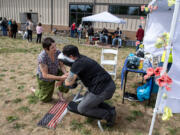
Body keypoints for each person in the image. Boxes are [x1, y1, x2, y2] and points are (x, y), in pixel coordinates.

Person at [62, 45, 116, 126]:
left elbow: (68, 83)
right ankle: (110, 109)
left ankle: (108, 115)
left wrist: (64, 80)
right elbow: (76, 73)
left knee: (82, 108)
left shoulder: (77, 64)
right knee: (87, 100)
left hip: (103, 89)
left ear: (71, 56)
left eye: (66, 57)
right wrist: (71, 75)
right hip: (108, 84)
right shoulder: (83, 58)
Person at [32, 37, 69, 102]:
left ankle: (60, 93)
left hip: (55, 72)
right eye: (52, 47)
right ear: (46, 49)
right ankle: (34, 90)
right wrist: (60, 78)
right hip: (45, 78)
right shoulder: (42, 57)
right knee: (45, 99)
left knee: (68, 78)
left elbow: (62, 66)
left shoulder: (58, 53)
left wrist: (65, 75)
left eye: (55, 46)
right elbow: (45, 75)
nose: (55, 49)